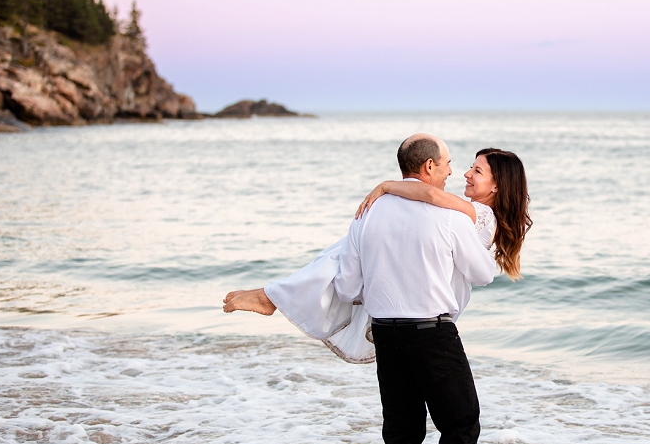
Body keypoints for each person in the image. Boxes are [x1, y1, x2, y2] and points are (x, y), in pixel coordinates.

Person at [223, 135, 531, 444]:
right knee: (461, 424)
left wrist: (387, 258)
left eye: (473, 169)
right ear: (430, 167)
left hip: (386, 332)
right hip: (431, 333)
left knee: (402, 432)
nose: (459, 172)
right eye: (452, 164)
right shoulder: (456, 217)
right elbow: (482, 273)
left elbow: (348, 283)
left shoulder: (372, 209)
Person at [222, 144, 531, 363]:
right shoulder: (478, 214)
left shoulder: (477, 214)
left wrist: (386, 186)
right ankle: (275, 294)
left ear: (496, 186)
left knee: (343, 255)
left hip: (432, 311)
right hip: (426, 308)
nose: (464, 173)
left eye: (476, 170)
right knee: (340, 253)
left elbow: (431, 193)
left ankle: (275, 295)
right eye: (468, 166)